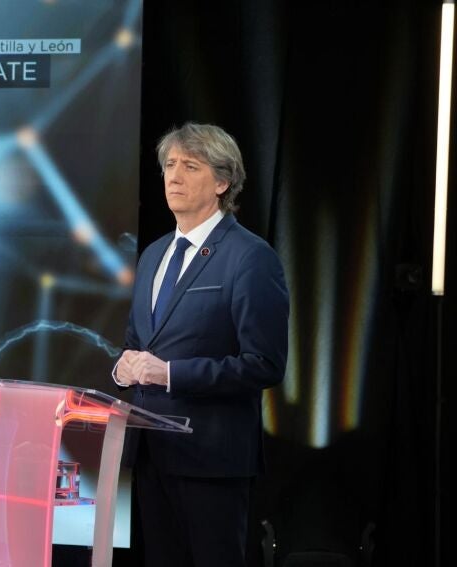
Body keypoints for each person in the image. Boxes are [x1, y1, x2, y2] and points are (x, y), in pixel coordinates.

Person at [113, 123, 289, 567]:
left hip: (212, 461)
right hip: (153, 456)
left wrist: (169, 374)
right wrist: (123, 367)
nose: (173, 176)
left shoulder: (250, 257)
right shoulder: (153, 254)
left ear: (222, 182)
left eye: (190, 166)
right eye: (169, 165)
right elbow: (139, 343)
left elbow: (264, 363)